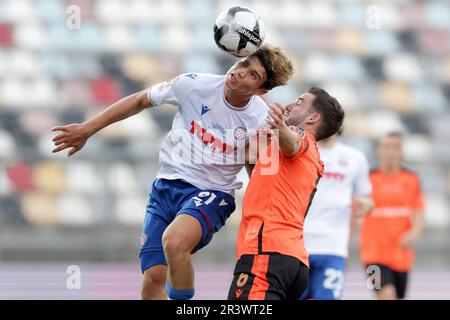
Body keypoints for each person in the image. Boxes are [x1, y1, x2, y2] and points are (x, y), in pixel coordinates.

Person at [51, 44, 294, 300]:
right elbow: (139, 100)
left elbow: (259, 174)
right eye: (244, 63)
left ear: (261, 90)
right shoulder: (193, 85)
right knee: (152, 282)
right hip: (165, 187)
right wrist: (87, 129)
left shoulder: (262, 120)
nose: (240, 71)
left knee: (175, 242)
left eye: (253, 75)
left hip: (213, 193)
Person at [228, 87, 345, 300]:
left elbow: (294, 144)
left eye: (299, 102)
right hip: (292, 259)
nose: (290, 105)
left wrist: (280, 124)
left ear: (313, 118)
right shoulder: (305, 156)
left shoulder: (302, 137)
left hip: (266, 251)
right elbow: (265, 182)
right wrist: (250, 159)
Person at [300, 133, 374, 300]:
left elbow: (367, 199)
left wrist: (365, 205)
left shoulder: (355, 157)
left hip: (333, 248)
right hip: (296, 247)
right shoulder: (300, 151)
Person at [359, 131, 426, 300]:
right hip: (372, 255)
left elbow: (420, 211)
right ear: (379, 150)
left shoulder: (412, 178)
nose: (390, 151)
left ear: (402, 152)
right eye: (386, 147)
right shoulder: (367, 178)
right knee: (386, 295)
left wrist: (414, 233)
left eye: (395, 147)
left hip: (401, 255)